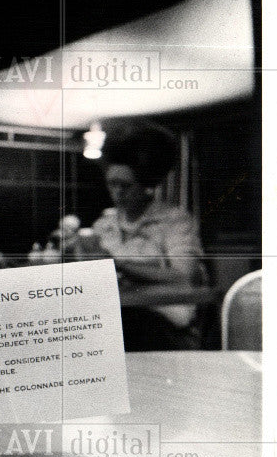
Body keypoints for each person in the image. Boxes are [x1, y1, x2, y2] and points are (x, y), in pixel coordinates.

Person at [88, 131, 206, 349]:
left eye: (126, 185)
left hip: (167, 319)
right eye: (112, 184)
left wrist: (120, 265)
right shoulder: (104, 225)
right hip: (118, 314)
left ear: (146, 184)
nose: (117, 193)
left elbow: (184, 275)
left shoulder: (174, 221)